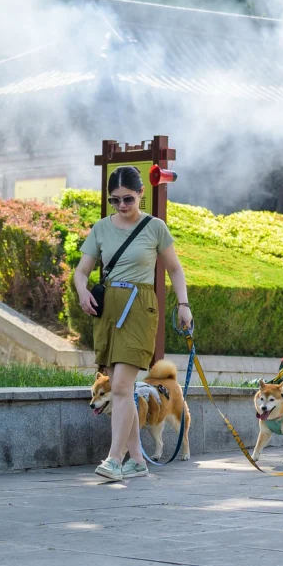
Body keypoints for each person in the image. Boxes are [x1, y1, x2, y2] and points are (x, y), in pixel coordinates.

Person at [73, 166, 194, 481]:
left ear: (142, 193)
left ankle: (115, 459)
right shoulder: (101, 228)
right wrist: (82, 291)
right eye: (115, 200)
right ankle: (137, 460)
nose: (122, 206)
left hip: (140, 306)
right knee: (118, 388)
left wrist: (183, 304)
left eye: (128, 198)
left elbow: (175, 270)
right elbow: (81, 270)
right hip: (109, 308)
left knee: (122, 386)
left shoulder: (155, 227)